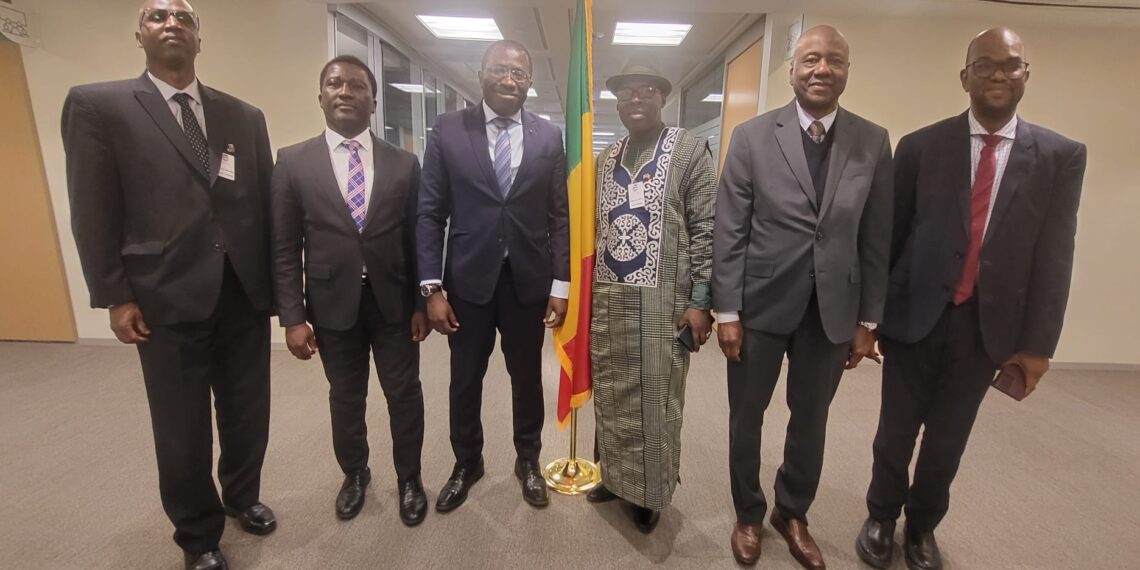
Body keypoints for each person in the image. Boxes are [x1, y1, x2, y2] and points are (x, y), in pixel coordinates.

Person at [856, 28, 1087, 570]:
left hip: (986, 327)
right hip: (913, 317)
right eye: (985, 65)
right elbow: (891, 238)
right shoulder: (920, 147)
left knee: (948, 438)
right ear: (965, 77)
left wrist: (1037, 345)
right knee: (894, 432)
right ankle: (881, 516)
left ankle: (922, 526)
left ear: (1027, 74)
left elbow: (1056, 256)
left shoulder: (1060, 156)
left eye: (1011, 65)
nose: (999, 74)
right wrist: (870, 317)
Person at [61, 1, 276, 568]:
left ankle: (242, 496)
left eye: (184, 17)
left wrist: (281, 289)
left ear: (200, 38)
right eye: (157, 16)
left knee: (248, 413)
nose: (172, 23)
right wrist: (114, 294)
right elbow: (92, 209)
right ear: (140, 35)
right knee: (182, 427)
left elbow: (262, 204)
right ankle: (198, 536)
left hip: (242, 293)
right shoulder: (99, 106)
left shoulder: (244, 115)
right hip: (163, 293)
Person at [712, 25, 893, 569]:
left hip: (832, 310)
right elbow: (730, 229)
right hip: (760, 305)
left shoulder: (872, 140)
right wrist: (727, 310)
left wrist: (869, 320)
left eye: (834, 60)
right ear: (791, 70)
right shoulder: (751, 136)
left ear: (847, 71)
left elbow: (876, 237)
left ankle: (791, 512)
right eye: (811, 59)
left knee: (811, 419)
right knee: (747, 416)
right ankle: (748, 512)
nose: (822, 69)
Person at [269, 56, 430, 527]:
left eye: (357, 85)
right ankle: (355, 474)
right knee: (345, 395)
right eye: (335, 84)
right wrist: (292, 317)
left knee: (404, 394)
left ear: (373, 101)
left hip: (394, 303)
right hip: (330, 304)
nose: (345, 91)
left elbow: (417, 238)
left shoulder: (404, 163)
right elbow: (283, 246)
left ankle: (410, 478)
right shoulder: (293, 162)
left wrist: (421, 302)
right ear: (320, 97)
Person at [417, 39, 570, 512]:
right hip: (466, 283)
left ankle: (528, 460)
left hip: (528, 282)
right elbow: (430, 213)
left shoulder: (549, 136)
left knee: (527, 378)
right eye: (499, 70)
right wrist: (431, 287)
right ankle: (467, 462)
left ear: (530, 82)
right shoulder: (448, 129)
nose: (509, 80)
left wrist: (561, 284)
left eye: (519, 73)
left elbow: (559, 216)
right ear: (480, 74)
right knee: (465, 379)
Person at [584, 63, 717, 534]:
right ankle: (613, 478)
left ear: (663, 98)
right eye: (626, 93)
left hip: (664, 308)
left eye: (646, 91)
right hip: (609, 306)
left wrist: (700, 301)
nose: (635, 99)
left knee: (656, 402)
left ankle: (649, 494)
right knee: (612, 397)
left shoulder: (689, 150)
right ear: (617, 104)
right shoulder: (605, 159)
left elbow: (707, 228)